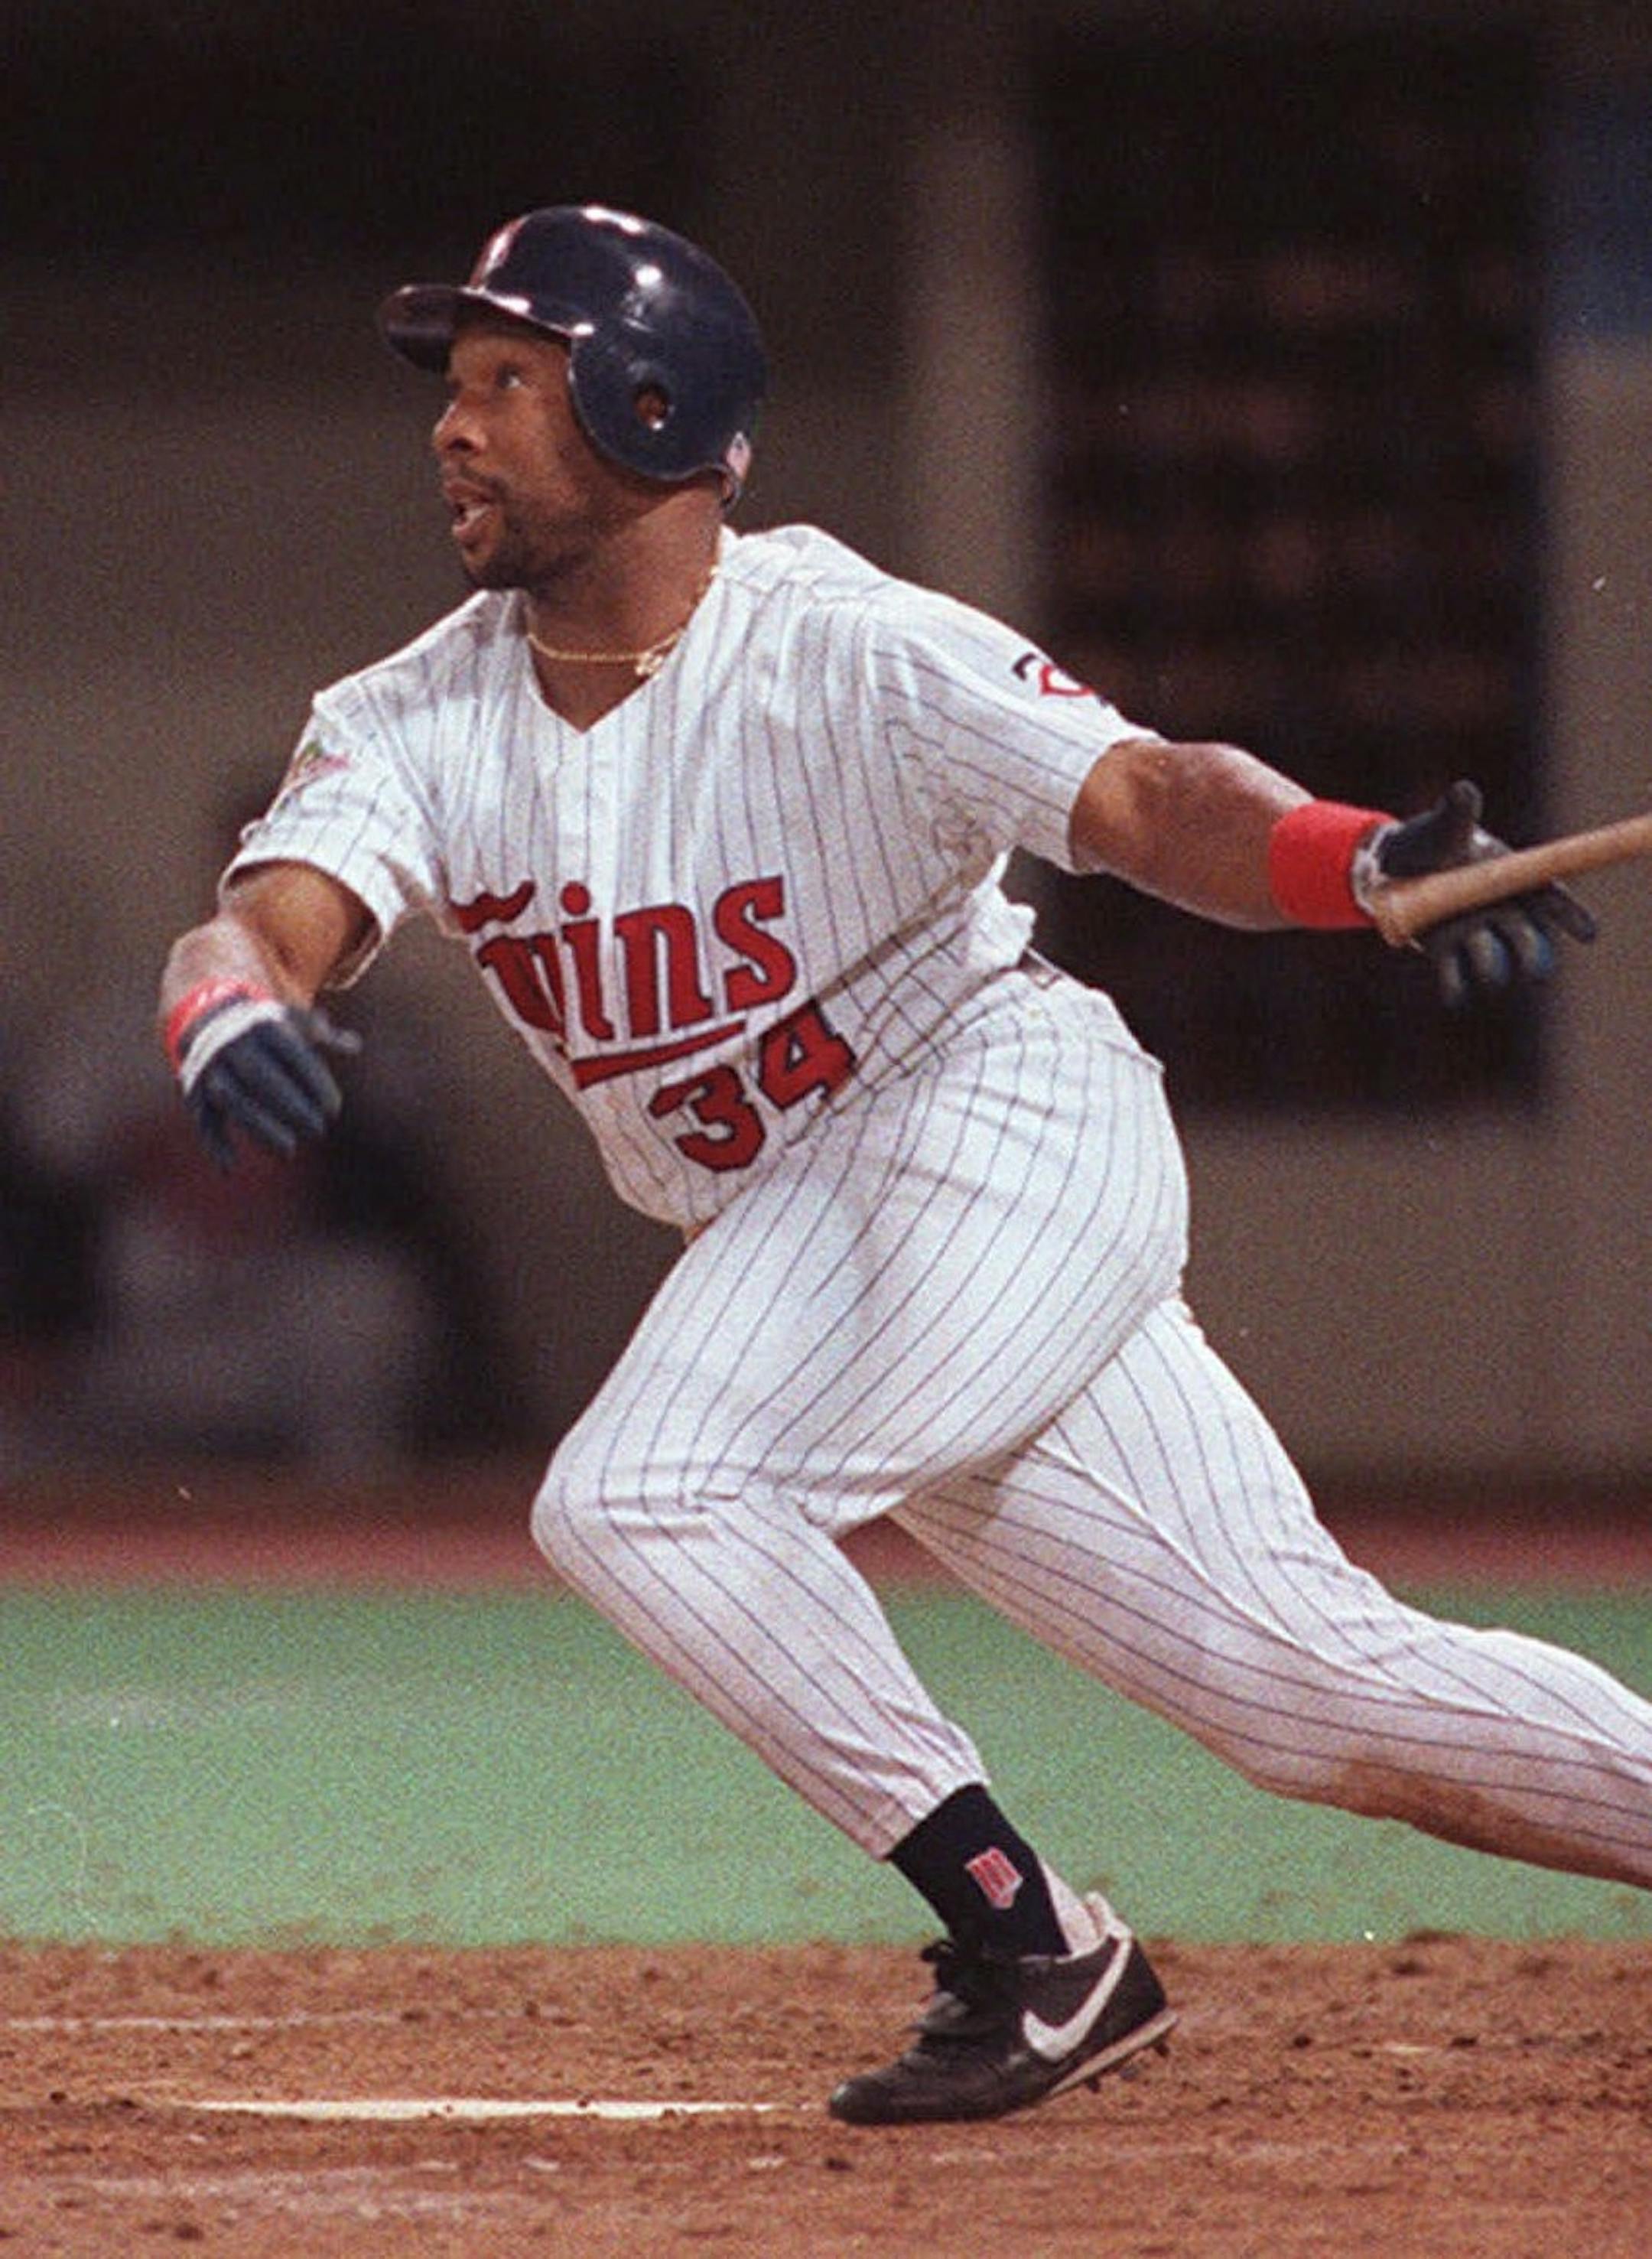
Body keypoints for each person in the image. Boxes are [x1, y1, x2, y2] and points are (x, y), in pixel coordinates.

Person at [158, 204, 1651, 2127]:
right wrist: (227, 1005)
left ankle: (1036, 1945)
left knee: (643, 1490)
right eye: (455, 391)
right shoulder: (411, 715)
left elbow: (1141, 795)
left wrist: (1346, 862)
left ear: (648, 401)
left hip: (986, 1118)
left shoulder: (845, 642)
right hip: (816, 1227)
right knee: (1304, 1685)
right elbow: (265, 919)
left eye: (509, 384)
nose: (454, 429)